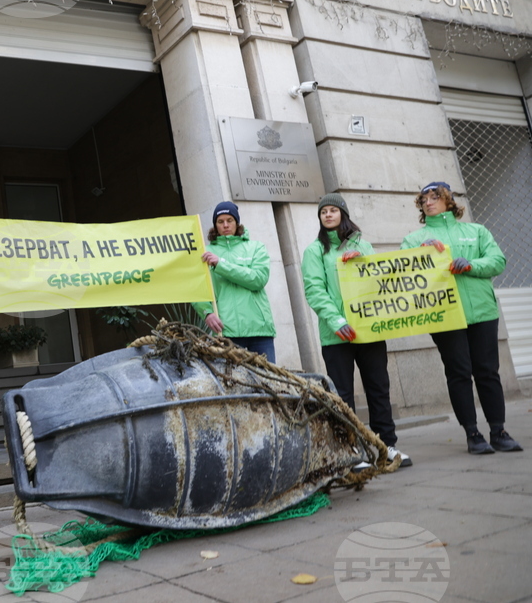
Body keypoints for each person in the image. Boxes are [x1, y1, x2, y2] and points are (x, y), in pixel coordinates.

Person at [401, 182, 522, 455]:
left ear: (449, 201)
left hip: (482, 312)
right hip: (444, 317)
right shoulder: (413, 240)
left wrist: (471, 264)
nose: (428, 202)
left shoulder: (476, 231)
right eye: (424, 199)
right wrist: (422, 253)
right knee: (458, 374)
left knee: (488, 372)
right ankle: (473, 434)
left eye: (434, 197)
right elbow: (406, 279)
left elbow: (498, 261)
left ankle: (499, 431)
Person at [301, 193, 411, 468]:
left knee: (378, 389)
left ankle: (387, 447)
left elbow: (379, 277)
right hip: (336, 335)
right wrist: (337, 322)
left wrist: (360, 258)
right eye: (323, 211)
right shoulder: (314, 251)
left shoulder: (364, 245)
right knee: (343, 396)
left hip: (369, 330)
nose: (327, 215)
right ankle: (350, 452)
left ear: (343, 215)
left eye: (332, 210)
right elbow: (315, 291)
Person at [192, 201, 276, 362]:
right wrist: (207, 312)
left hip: (259, 330)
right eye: (220, 221)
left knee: (268, 384)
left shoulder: (256, 247)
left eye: (229, 220)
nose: (225, 225)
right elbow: (196, 288)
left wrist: (220, 264)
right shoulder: (205, 253)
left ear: (237, 223)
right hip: (225, 332)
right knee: (233, 385)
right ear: (215, 225)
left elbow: (258, 279)